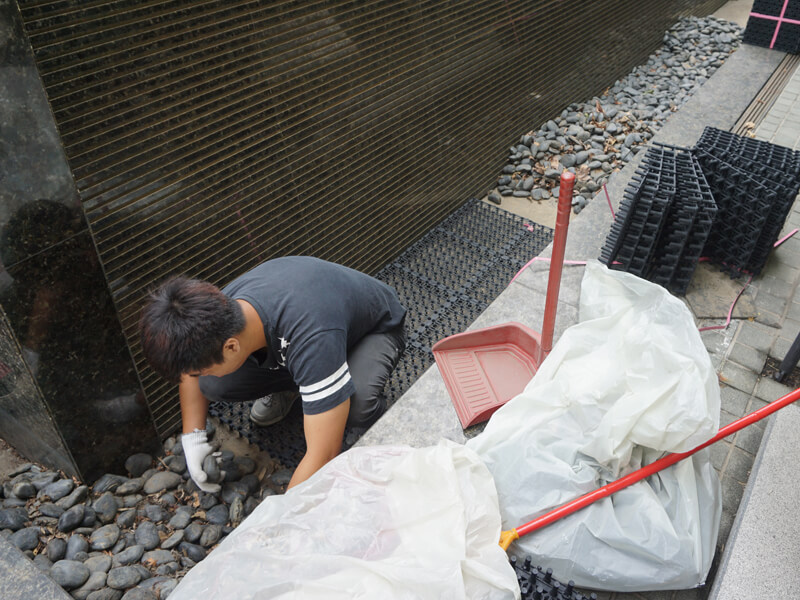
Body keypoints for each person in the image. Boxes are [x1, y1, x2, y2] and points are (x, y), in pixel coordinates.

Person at [139, 256, 406, 492]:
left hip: (372, 331)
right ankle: (309, 387)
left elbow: (323, 454)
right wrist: (193, 439)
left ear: (231, 347)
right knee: (213, 385)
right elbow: (190, 372)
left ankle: (340, 392)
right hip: (312, 339)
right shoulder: (216, 312)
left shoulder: (311, 336)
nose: (197, 375)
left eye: (201, 369)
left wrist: (278, 525)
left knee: (357, 408)